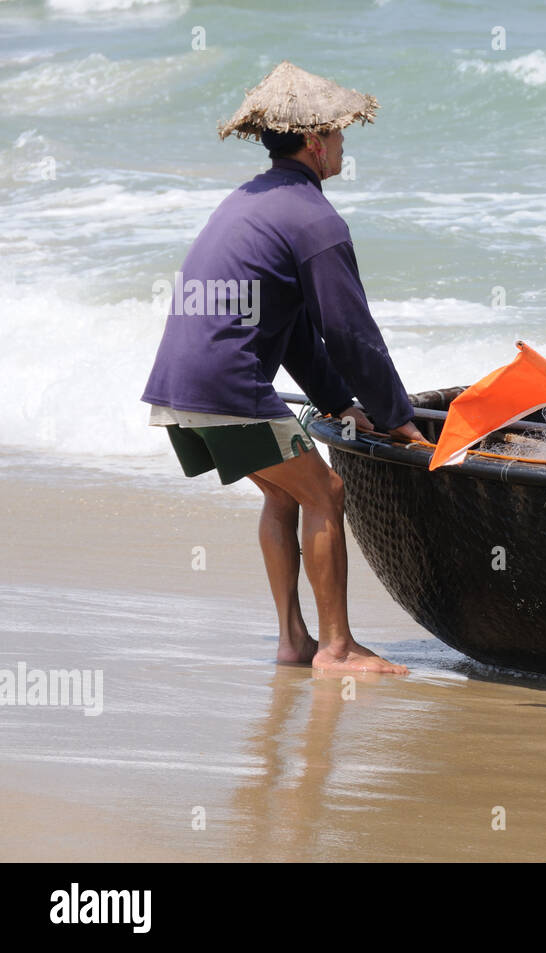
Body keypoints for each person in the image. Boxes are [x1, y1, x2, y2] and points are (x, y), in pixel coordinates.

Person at [142, 61, 416, 674]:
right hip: (226, 383)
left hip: (178, 383)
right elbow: (349, 332)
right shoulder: (315, 219)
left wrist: (341, 403)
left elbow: (290, 328)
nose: (346, 145)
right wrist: (399, 417)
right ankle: (337, 649)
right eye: (341, 135)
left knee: (283, 491)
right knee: (326, 490)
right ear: (316, 143)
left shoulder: (249, 200)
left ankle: (294, 642)